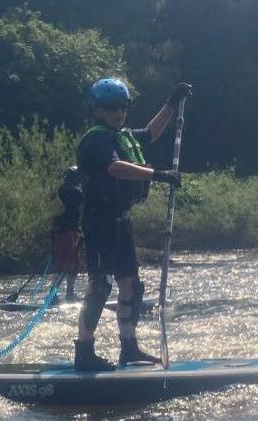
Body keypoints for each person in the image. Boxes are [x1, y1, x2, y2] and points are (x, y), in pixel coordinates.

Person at [74, 78, 192, 371]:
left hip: (119, 220)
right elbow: (114, 168)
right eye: (111, 108)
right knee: (100, 285)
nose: (119, 113)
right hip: (98, 222)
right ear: (97, 111)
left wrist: (172, 102)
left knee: (131, 283)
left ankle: (129, 347)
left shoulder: (122, 136)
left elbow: (152, 132)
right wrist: (158, 175)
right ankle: (84, 352)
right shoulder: (97, 139)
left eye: (123, 107)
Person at [51, 166, 83, 301]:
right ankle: (64, 294)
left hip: (60, 231)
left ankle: (58, 294)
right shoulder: (76, 192)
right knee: (69, 263)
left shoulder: (60, 191)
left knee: (66, 262)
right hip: (68, 232)